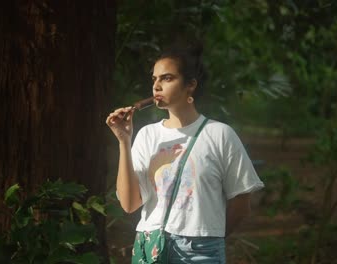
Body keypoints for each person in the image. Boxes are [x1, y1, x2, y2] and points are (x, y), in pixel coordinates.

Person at [106, 44, 264, 263]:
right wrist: (124, 140)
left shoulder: (219, 135)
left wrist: (210, 236)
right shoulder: (147, 135)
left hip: (200, 250)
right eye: (154, 79)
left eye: (167, 78)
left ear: (190, 85)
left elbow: (242, 203)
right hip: (150, 245)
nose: (157, 86)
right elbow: (129, 203)